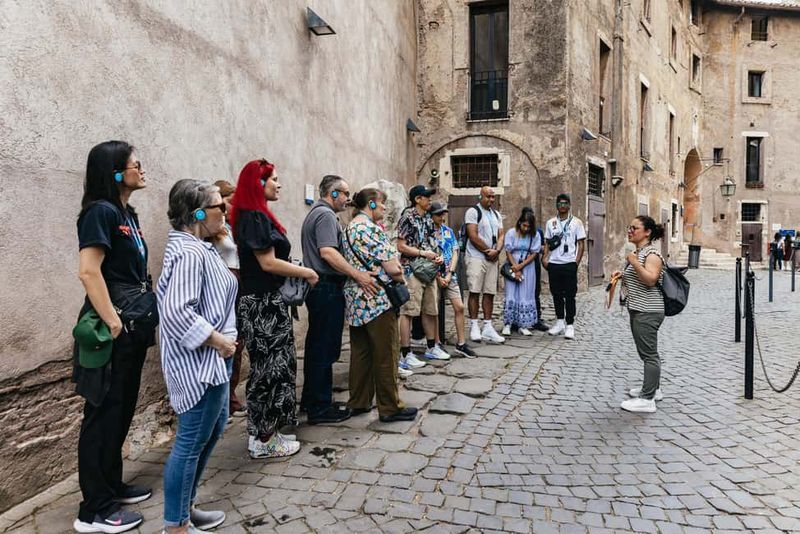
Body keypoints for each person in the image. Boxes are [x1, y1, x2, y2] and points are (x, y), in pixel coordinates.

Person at [73, 141, 154, 534]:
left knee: (120, 410)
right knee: (102, 414)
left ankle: (111, 485)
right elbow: (89, 271)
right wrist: (113, 322)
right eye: (136, 164)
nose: (142, 168)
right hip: (110, 329)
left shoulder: (127, 214)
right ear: (117, 172)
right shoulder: (100, 212)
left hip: (132, 325)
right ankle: (94, 510)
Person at [158, 180, 237, 533]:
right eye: (220, 206)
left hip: (214, 359)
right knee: (190, 442)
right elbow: (176, 311)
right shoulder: (189, 253)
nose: (227, 211)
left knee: (212, 430)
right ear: (199, 214)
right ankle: (176, 525)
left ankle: (185, 509)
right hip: (201, 362)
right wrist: (218, 341)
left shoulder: (199, 246)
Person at [231, 159, 318, 459]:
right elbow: (267, 263)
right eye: (274, 179)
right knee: (268, 371)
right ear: (259, 183)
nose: (279, 184)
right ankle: (264, 439)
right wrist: (306, 272)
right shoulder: (254, 217)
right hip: (262, 304)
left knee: (276, 367)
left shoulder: (256, 215)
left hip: (266, 302)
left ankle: (268, 433)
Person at [300, 175, 378, 425]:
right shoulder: (324, 215)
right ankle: (320, 408)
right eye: (344, 193)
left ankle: (313, 400)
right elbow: (327, 252)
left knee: (317, 346)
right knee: (325, 348)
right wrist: (357, 274)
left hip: (322, 288)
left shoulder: (317, 213)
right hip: (326, 287)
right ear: (332, 194)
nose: (348, 198)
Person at [341, 188, 418, 422]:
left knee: (361, 353)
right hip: (377, 300)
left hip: (356, 299)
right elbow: (393, 268)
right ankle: (390, 407)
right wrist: (401, 276)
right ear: (372, 204)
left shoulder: (349, 228)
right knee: (386, 353)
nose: (385, 208)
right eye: (382, 204)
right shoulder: (372, 229)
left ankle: (359, 401)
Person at [614, 216, 666, 414]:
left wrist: (634, 262)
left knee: (649, 355)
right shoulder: (639, 252)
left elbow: (651, 279)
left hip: (648, 310)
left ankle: (647, 399)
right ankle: (653, 389)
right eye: (629, 227)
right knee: (647, 352)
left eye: (634, 228)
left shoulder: (651, 254)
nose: (630, 231)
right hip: (639, 308)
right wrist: (621, 275)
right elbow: (638, 277)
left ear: (647, 232)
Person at [396, 185, 451, 366]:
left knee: (430, 309)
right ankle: (405, 353)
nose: (430, 200)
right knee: (409, 311)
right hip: (412, 269)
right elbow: (401, 246)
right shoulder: (407, 217)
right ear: (417, 199)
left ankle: (431, 347)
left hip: (428, 269)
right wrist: (422, 253)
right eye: (427, 197)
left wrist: (437, 255)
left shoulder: (427, 218)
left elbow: (430, 241)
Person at [211, 180, 246, 420]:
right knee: (225, 339)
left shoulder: (234, 227)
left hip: (239, 283)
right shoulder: (213, 230)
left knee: (238, 341)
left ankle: (230, 397)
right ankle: (223, 401)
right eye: (231, 201)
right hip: (223, 284)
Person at [430, 202, 476, 358]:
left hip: (449, 275)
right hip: (433, 275)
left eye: (443, 214)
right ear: (431, 216)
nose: (442, 217)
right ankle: (437, 342)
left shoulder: (448, 231)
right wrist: (438, 277)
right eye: (438, 214)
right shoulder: (427, 232)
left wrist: (450, 273)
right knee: (434, 310)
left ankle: (461, 343)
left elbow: (455, 252)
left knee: (459, 307)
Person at [465, 186, 506, 344]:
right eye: (488, 196)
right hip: (476, 257)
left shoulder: (496, 214)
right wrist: (488, 250)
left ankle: (488, 327)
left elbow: (501, 234)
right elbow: (473, 235)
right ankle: (474, 325)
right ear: (480, 196)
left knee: (489, 292)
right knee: (474, 291)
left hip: (492, 258)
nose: (491, 200)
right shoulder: (473, 212)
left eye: (493, 197)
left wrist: (497, 250)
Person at [542, 193, 586, 340]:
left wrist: (576, 263)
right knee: (556, 294)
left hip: (569, 263)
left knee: (570, 295)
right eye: (560, 203)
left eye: (565, 203)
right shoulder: (551, 223)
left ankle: (570, 324)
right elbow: (547, 242)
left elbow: (581, 244)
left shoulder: (576, 222)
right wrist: (544, 258)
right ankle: (560, 321)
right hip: (554, 263)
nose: (562, 206)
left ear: (569, 205)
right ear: (556, 205)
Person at [502, 209, 541, 336]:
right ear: (520, 222)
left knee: (525, 293)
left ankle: (523, 324)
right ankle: (508, 324)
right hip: (513, 264)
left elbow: (534, 253)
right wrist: (515, 267)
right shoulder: (511, 233)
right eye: (524, 225)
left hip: (527, 266)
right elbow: (508, 251)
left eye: (528, 226)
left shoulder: (535, 235)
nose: (526, 228)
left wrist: (521, 266)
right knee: (511, 293)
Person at [525, 207, 550, 332]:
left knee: (535, 291)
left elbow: (544, 247)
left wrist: (540, 250)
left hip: (534, 264)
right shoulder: (519, 230)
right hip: (521, 264)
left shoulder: (538, 231)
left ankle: (536, 319)